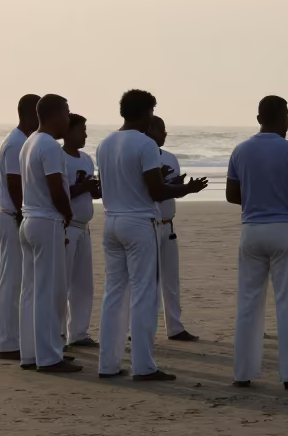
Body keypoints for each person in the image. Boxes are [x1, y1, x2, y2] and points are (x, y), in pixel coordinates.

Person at [96, 90, 208, 381]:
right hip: (138, 222)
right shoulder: (145, 144)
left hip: (111, 221)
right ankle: (144, 366)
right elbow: (156, 191)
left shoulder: (105, 143)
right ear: (147, 113)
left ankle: (107, 364)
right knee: (144, 294)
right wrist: (187, 189)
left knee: (114, 294)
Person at [227, 95, 288, 389]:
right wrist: (281, 198)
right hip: (283, 227)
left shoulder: (240, 151)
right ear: (285, 118)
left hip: (251, 228)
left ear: (258, 119)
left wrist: (258, 200)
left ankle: (243, 372)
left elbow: (232, 195)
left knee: (248, 301)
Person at [18, 94, 81, 373]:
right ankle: (49, 357)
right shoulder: (49, 145)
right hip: (46, 221)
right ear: (55, 115)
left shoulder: (28, 143)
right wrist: (67, 213)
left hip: (29, 219)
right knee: (49, 291)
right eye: (67, 113)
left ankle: (31, 353)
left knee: (31, 291)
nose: (69, 118)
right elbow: (55, 185)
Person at [0, 94, 39, 361]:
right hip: (12, 216)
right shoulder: (16, 143)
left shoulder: (20, 141)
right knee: (12, 282)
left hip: (14, 215)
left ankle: (18, 339)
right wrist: (24, 216)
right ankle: (8, 343)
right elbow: (14, 183)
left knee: (19, 281)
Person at [147, 116, 197, 342]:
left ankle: (175, 327)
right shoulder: (141, 155)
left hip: (168, 223)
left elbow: (172, 188)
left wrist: (182, 186)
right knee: (147, 279)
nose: (165, 134)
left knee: (171, 278)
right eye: (161, 130)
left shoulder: (170, 158)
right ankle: (138, 327)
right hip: (149, 224)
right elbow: (150, 191)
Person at [62, 113, 99, 348]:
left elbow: (93, 193)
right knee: (62, 283)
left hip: (84, 227)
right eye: (81, 129)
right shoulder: (60, 158)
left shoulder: (86, 159)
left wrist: (98, 187)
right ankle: (59, 335)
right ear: (68, 131)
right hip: (67, 227)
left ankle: (79, 333)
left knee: (84, 285)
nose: (85, 133)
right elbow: (59, 193)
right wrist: (83, 186)